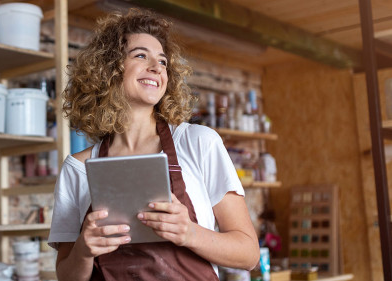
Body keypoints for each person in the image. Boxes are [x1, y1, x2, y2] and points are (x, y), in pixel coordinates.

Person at [48, 8, 260, 280]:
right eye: (140, 55)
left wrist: (190, 233)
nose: (156, 67)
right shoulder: (77, 169)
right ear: (109, 69)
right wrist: (83, 251)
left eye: (162, 61)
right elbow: (66, 275)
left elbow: (249, 254)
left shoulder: (198, 143)